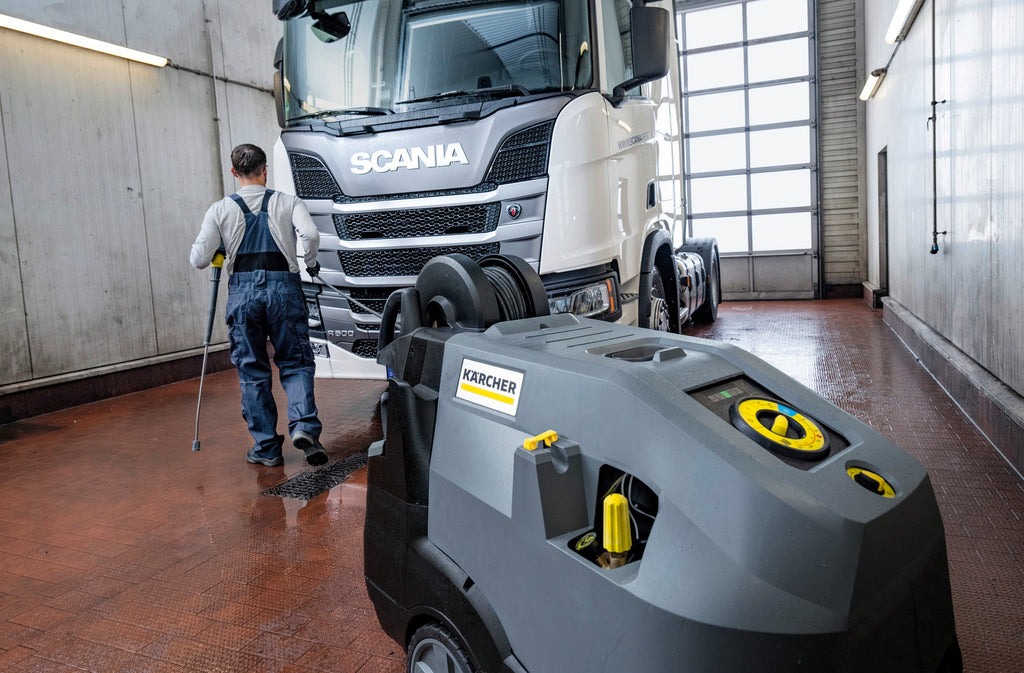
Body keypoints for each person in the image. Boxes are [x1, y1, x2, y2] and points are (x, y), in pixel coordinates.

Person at [190, 143, 327, 468]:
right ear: (265, 170)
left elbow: (198, 259)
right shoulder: (288, 202)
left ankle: (266, 447)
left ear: (234, 172)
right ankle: (304, 427)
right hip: (284, 290)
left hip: (243, 294)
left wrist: (220, 246)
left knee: (252, 369)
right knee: (296, 362)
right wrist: (310, 263)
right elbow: (309, 234)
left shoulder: (220, 210)